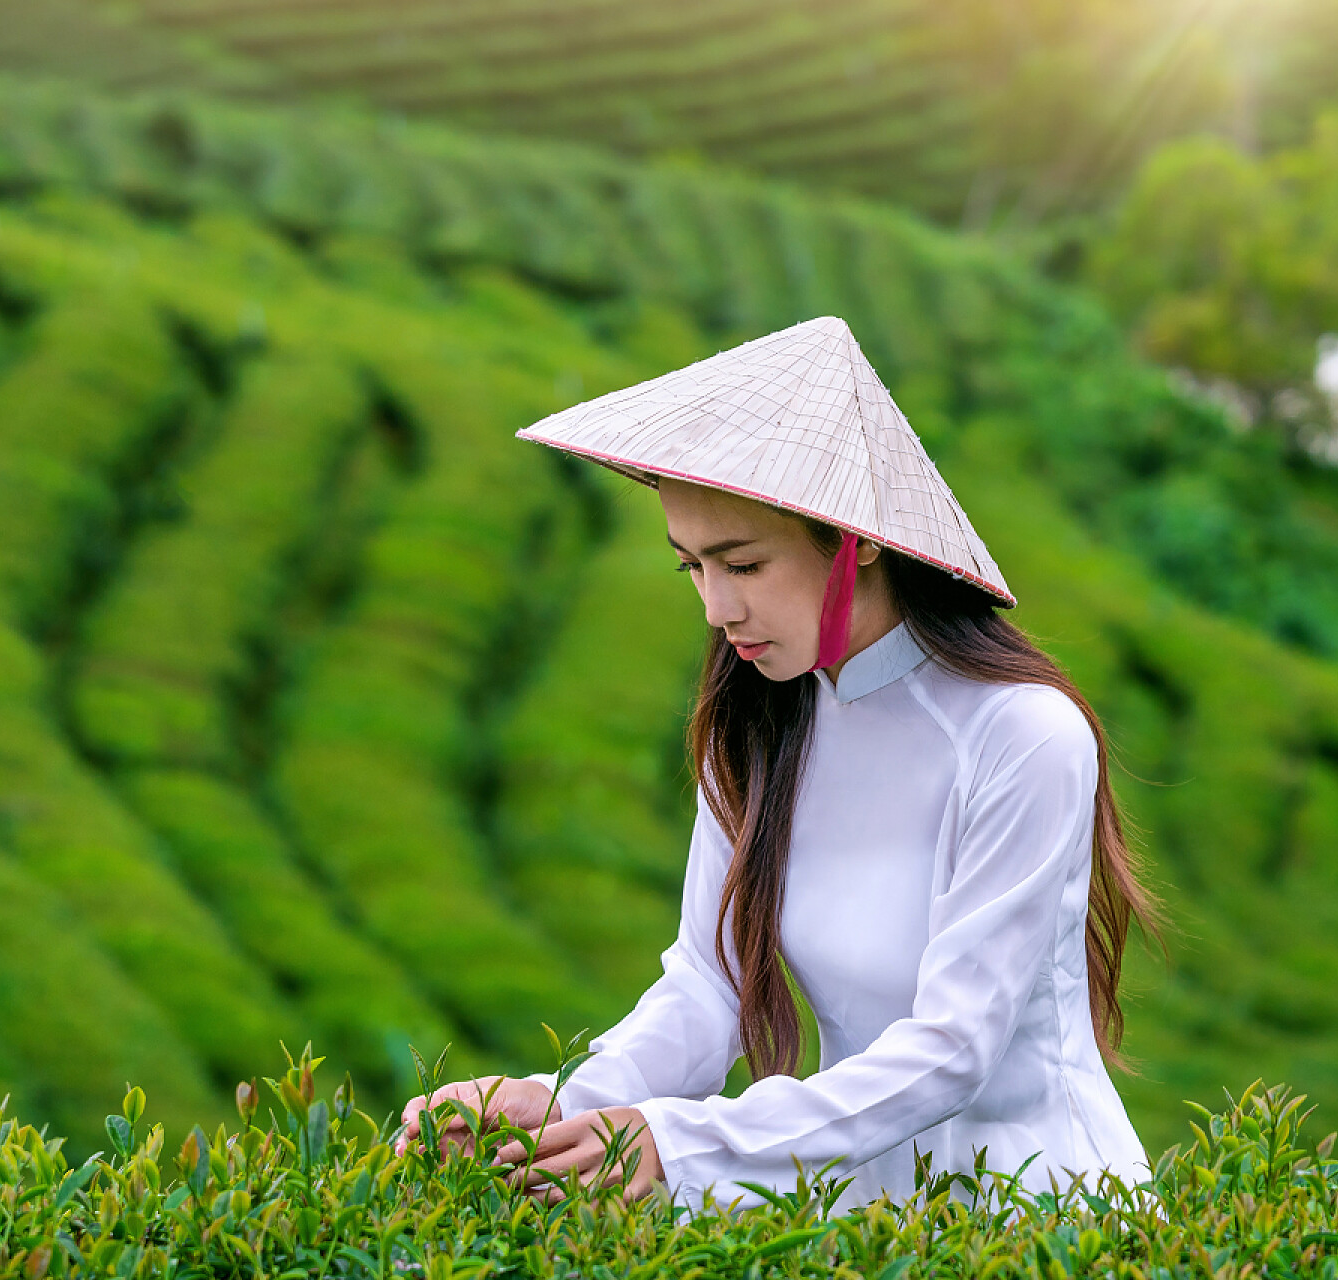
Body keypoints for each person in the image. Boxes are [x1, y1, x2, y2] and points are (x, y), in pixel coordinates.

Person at [392, 315, 1160, 1214]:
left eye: (745, 565)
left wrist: (678, 1142)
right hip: (863, 1224)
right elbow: (708, 985)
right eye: (692, 567)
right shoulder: (762, 730)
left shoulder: (1021, 735)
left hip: (1046, 1216)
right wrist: (565, 1104)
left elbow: (955, 1050)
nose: (717, 609)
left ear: (857, 541)